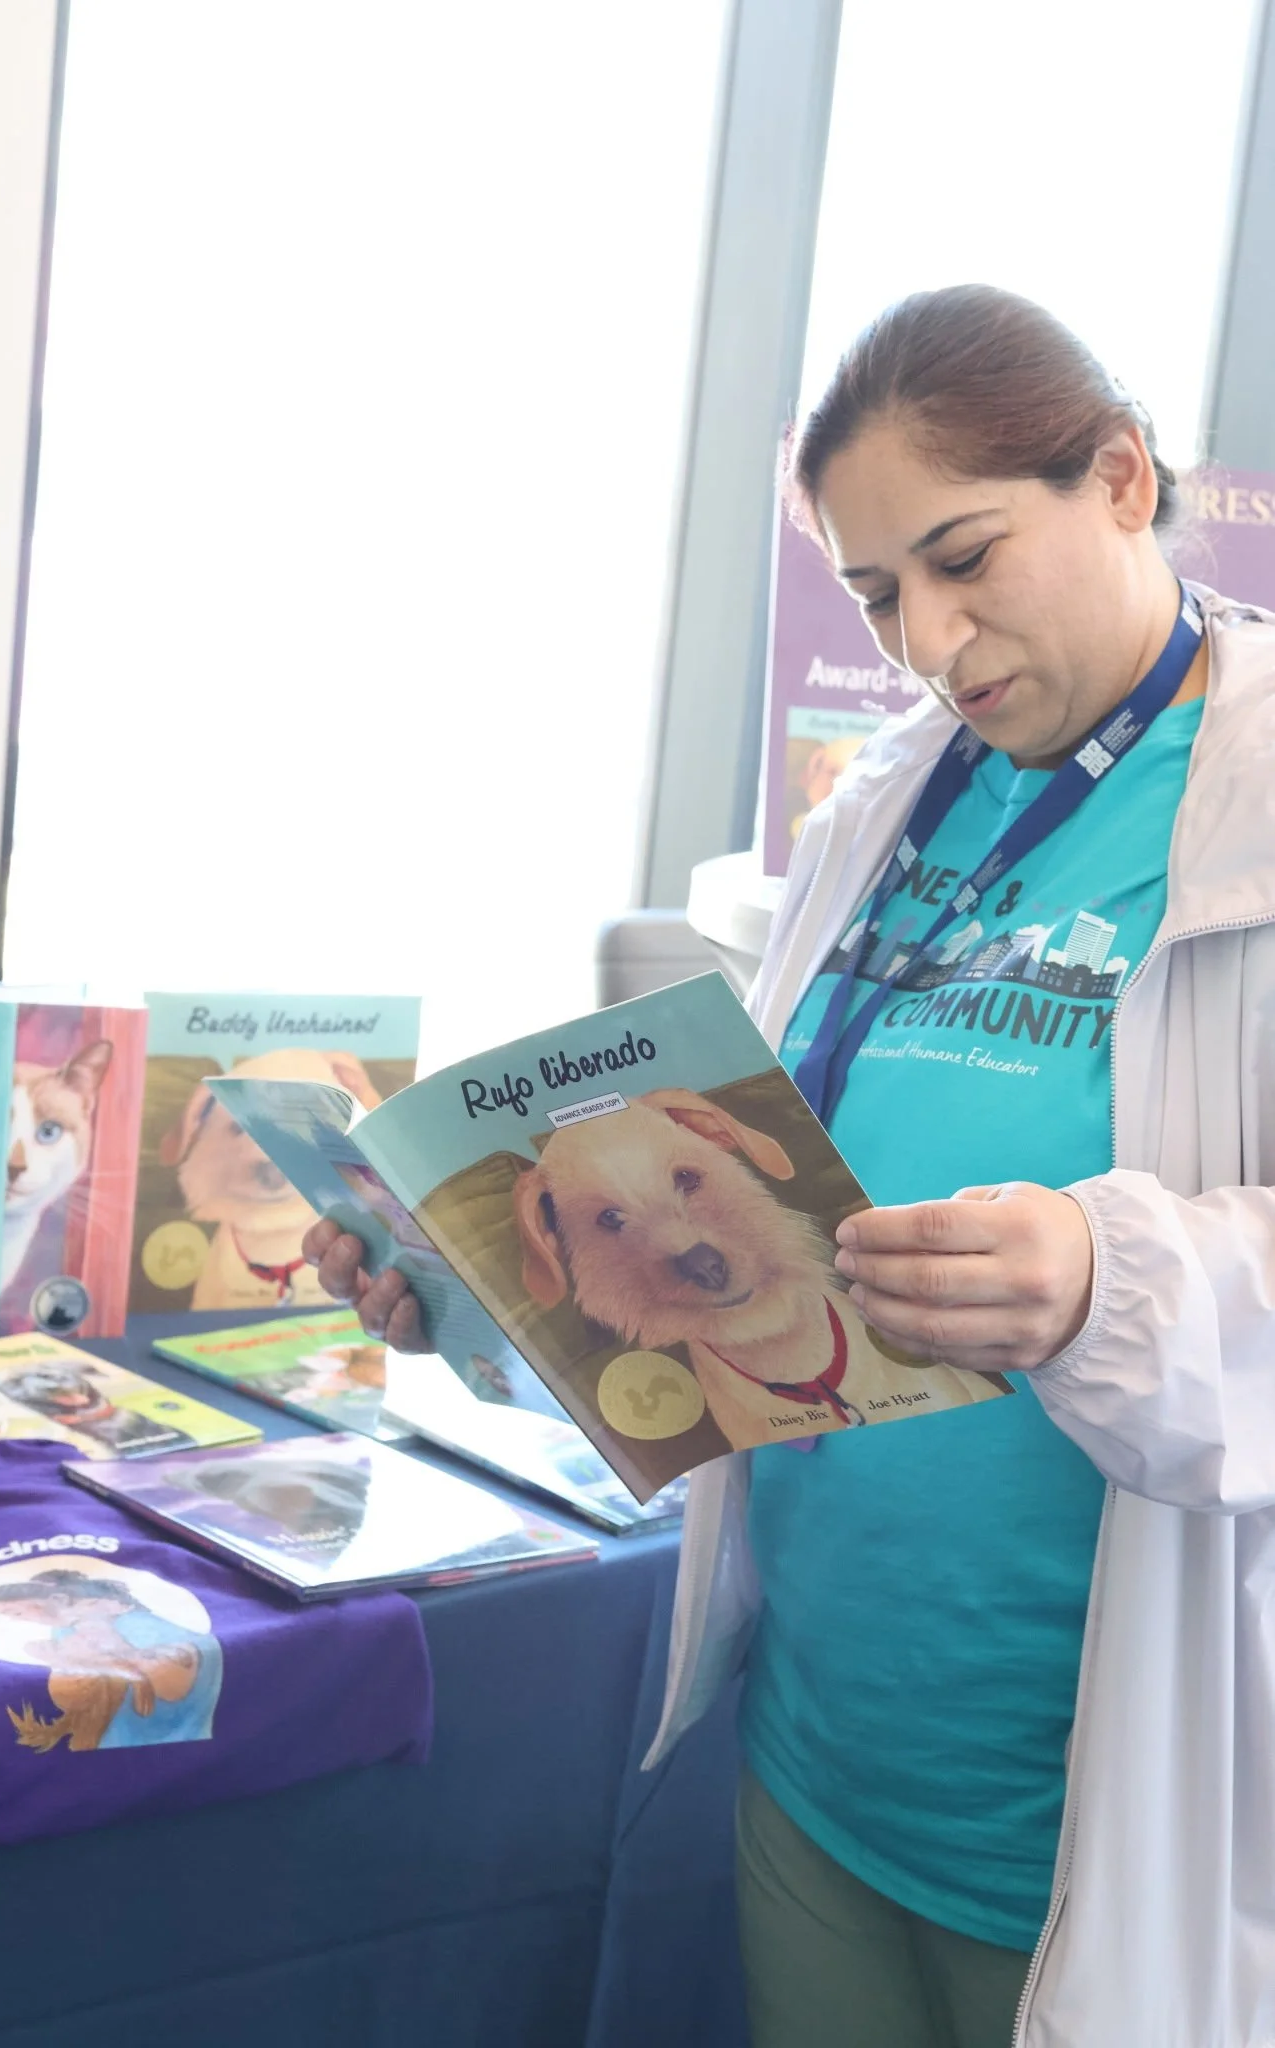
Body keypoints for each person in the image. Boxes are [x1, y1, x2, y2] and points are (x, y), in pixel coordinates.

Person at [304, 284, 1275, 2048]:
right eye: (880, 594)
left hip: (1120, 1802)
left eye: (965, 557)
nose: (930, 639)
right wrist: (483, 1301)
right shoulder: (883, 812)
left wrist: (1106, 1278)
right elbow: (754, 1249)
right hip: (831, 1763)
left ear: (1122, 480)